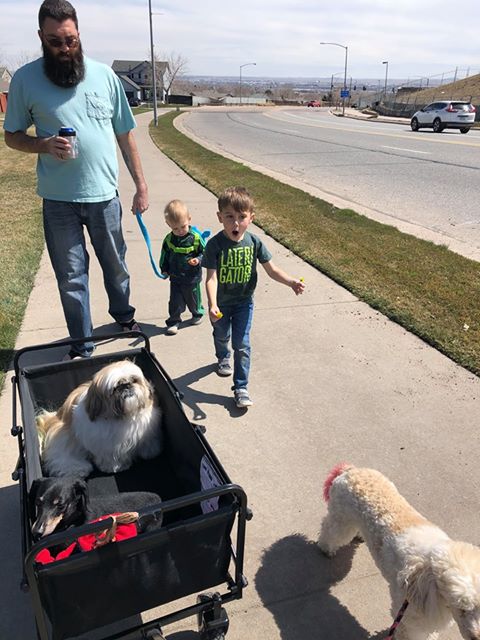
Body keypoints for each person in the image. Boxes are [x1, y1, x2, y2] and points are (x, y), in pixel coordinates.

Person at [3, 0, 148, 360]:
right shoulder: (24, 80)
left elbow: (125, 134)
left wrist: (141, 185)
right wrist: (44, 145)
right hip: (58, 200)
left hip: (104, 195)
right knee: (71, 277)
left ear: (79, 34)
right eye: (55, 41)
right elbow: (12, 135)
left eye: (70, 40)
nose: (64, 49)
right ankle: (81, 347)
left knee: (116, 265)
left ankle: (123, 314)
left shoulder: (104, 76)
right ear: (41, 37)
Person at [204, 186, 305, 409]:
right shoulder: (214, 245)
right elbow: (211, 279)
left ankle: (241, 387)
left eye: (242, 217)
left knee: (242, 344)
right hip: (221, 305)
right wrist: (212, 304)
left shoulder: (255, 242)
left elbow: (271, 269)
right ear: (220, 217)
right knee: (222, 335)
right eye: (229, 217)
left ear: (251, 218)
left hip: (243, 304)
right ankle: (222, 356)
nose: (236, 223)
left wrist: (291, 282)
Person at [159, 199, 206, 335]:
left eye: (183, 226)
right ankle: (174, 321)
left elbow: (205, 253)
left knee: (192, 298)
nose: (179, 231)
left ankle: (197, 313)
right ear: (168, 224)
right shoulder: (169, 239)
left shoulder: (196, 238)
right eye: (175, 228)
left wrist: (198, 259)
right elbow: (165, 255)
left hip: (192, 277)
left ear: (189, 219)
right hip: (175, 276)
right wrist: (164, 268)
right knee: (175, 301)